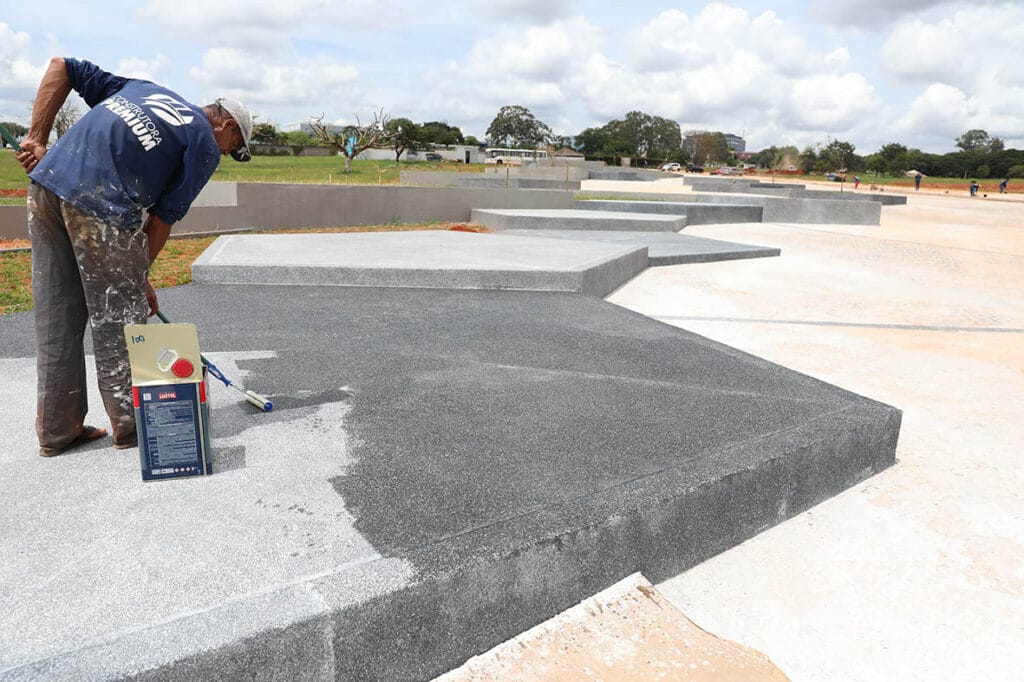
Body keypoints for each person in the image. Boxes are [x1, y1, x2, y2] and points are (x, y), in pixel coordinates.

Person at [17, 57, 252, 456]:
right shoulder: (203, 144)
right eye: (235, 148)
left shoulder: (145, 88)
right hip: (102, 207)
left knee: (58, 316)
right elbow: (160, 221)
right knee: (119, 321)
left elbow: (62, 66)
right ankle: (131, 427)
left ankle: (58, 430)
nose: (227, 154)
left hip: (47, 189)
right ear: (226, 127)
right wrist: (138, 280)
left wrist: (37, 138)